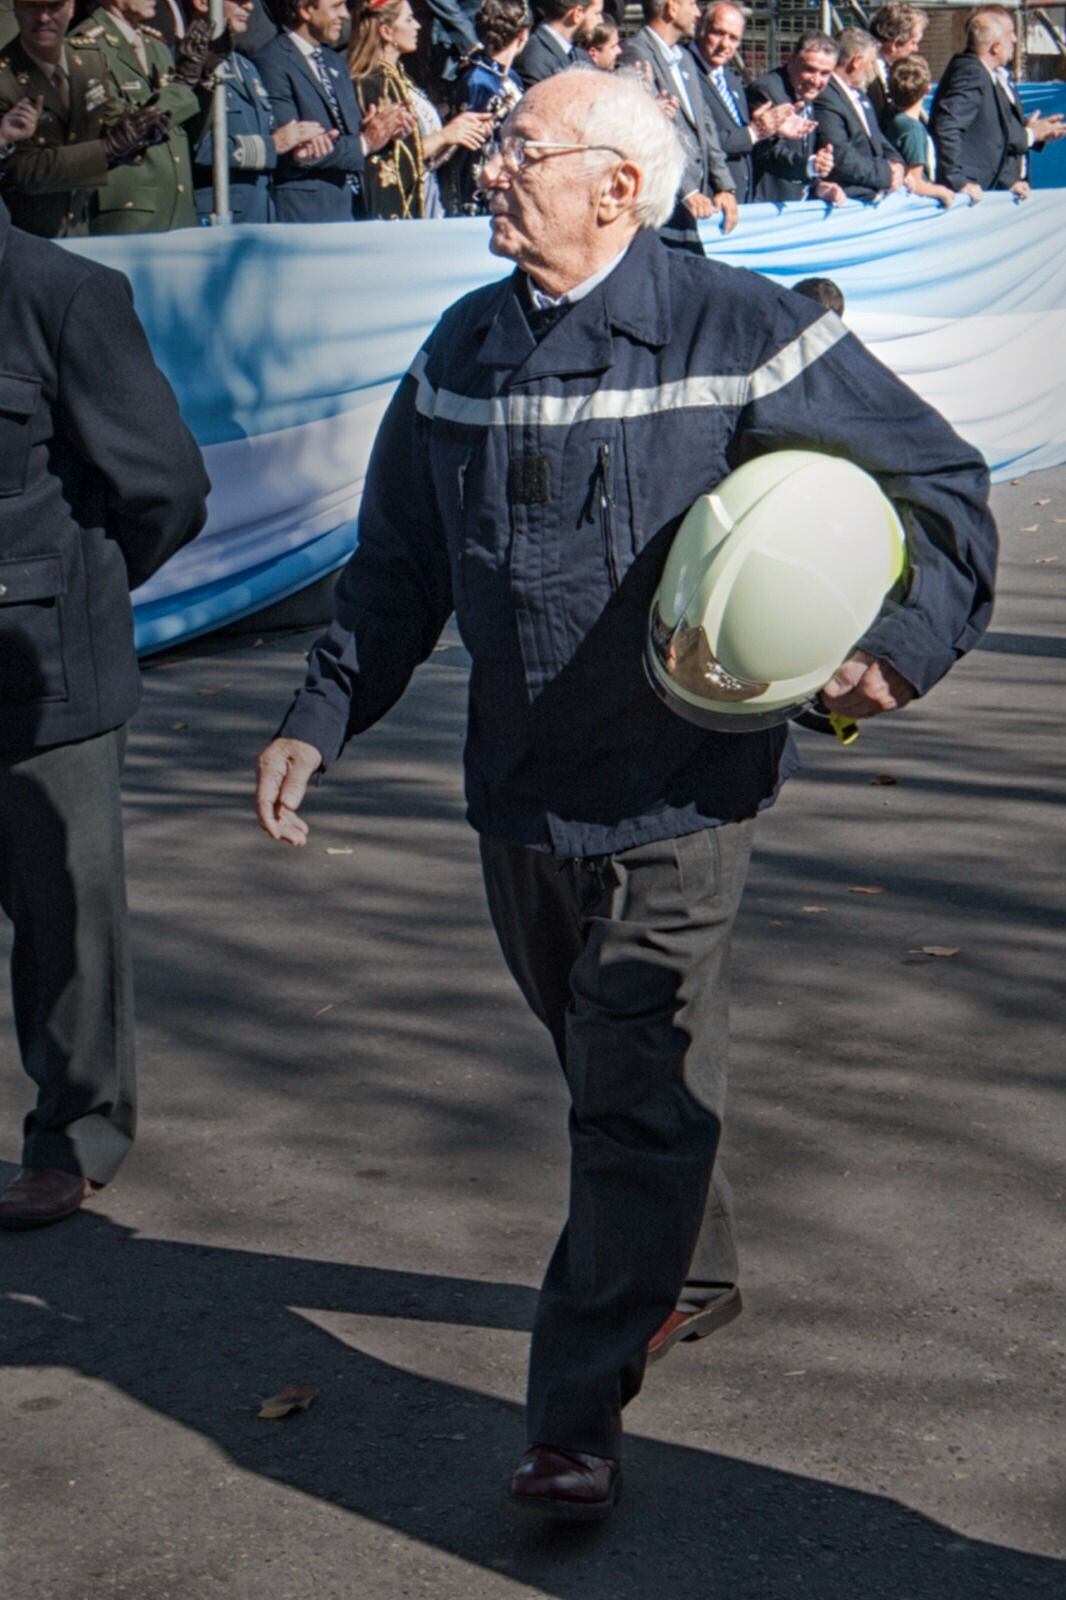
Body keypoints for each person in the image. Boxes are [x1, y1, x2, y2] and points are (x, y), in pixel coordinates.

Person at [254, 68, 997, 1521]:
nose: (488, 167)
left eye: (520, 150)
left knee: (630, 1100)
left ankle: (572, 1417)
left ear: (616, 183)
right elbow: (396, 565)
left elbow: (945, 493)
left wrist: (892, 654)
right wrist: (318, 717)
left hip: (678, 791)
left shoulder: (749, 330)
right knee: (613, 1075)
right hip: (518, 798)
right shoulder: (460, 349)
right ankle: (691, 1270)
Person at [0, 192, 209, 1230]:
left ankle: (72, 1137)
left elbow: (166, 484)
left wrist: (78, 589)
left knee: (63, 918)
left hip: (41, 672)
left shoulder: (64, 296)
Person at [0, 0, 172, 236]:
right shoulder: (4, 80)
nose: (43, 18)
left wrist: (140, 134)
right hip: (25, 242)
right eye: (33, 7)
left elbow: (109, 120)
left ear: (71, 7)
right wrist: (108, 148)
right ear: (17, 9)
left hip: (81, 234)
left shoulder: (88, 61)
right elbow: (23, 171)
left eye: (54, 7)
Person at [253, 0, 412, 222]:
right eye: (336, 6)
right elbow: (295, 150)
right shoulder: (272, 62)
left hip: (353, 208)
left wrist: (381, 129)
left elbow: (349, 134)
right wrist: (364, 143)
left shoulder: (335, 61)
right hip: (308, 215)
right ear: (306, 10)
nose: (346, 15)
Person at [347, 0, 492, 218]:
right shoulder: (373, 84)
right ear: (386, 32)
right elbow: (393, 158)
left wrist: (461, 130)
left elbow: (424, 155)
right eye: (408, 19)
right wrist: (445, 135)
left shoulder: (402, 79)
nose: (417, 26)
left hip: (426, 196)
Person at [185, 0, 325, 222]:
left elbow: (269, 137)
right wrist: (273, 145)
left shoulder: (246, 67)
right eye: (240, 1)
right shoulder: (184, 67)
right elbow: (196, 147)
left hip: (260, 216)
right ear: (203, 3)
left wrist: (295, 152)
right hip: (217, 216)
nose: (250, 7)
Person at [73, 0, 206, 233]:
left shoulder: (156, 45)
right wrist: (182, 86)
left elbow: (186, 131)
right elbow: (121, 126)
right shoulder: (86, 47)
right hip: (129, 218)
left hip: (178, 213)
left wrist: (203, 79)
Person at [619, 0, 737, 243]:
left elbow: (706, 128)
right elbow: (649, 133)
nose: (697, 13)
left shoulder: (684, 58)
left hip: (694, 208)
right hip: (661, 210)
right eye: (692, 4)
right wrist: (688, 190)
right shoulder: (636, 54)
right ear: (671, 8)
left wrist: (724, 186)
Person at [930, 5, 1066, 203]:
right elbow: (947, 126)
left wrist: (1032, 132)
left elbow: (993, 133)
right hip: (974, 195)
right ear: (995, 45)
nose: (1015, 39)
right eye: (1010, 33)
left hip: (998, 188)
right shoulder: (971, 73)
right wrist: (958, 182)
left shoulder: (996, 77)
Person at [689, 1, 817, 206]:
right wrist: (755, 132)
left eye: (733, 38)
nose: (725, 44)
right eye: (718, 33)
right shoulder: (685, 73)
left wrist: (772, 130)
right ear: (700, 28)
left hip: (737, 201)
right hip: (705, 199)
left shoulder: (730, 79)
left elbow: (747, 137)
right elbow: (697, 142)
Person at [445, 0, 527, 214]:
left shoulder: (510, 77)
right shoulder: (477, 81)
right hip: (479, 190)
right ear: (522, 34)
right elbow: (467, 150)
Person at [813, 27, 905, 201]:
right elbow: (840, 155)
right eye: (871, 63)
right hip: (848, 198)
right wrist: (886, 175)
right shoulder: (826, 96)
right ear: (857, 61)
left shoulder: (860, 95)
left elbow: (877, 138)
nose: (872, 70)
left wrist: (897, 163)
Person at [748, 31, 839, 203]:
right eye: (810, 70)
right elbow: (769, 153)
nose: (816, 80)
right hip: (766, 206)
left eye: (825, 73)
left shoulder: (805, 92)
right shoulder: (766, 91)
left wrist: (818, 185)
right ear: (791, 61)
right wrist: (810, 165)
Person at [884, 53, 954, 208]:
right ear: (927, 89)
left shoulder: (890, 117)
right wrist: (942, 192)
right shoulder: (912, 130)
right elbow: (917, 182)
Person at [513, 0, 597, 90]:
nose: (600, 21)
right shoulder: (536, 60)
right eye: (597, 14)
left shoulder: (580, 55)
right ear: (577, 14)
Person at [867, 2, 926, 119]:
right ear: (895, 44)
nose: (916, 49)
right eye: (913, 43)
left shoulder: (888, 66)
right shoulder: (867, 72)